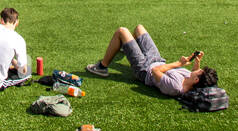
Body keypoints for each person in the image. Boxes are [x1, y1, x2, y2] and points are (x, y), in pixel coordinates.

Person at [87, 25, 218, 98]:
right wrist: (197, 63)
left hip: (144, 69)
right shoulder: (191, 80)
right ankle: (124, 45)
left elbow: (155, 71)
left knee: (122, 31)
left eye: (200, 72)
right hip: (157, 60)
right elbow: (194, 73)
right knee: (139, 28)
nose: (198, 70)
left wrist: (179, 64)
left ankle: (101, 67)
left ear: (196, 80)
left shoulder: (175, 87)